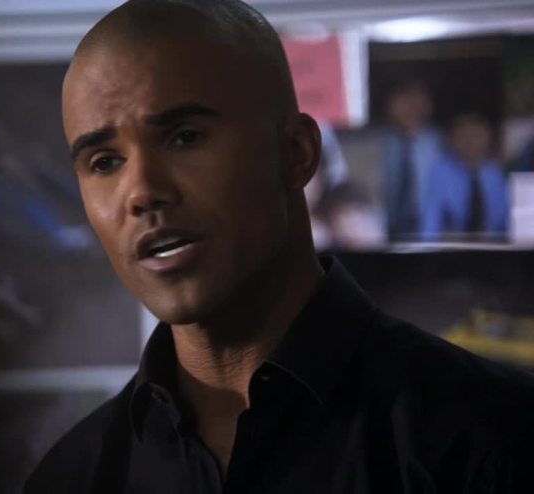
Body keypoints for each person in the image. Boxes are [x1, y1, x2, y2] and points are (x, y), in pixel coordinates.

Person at [26, 1, 534, 492]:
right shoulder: (73, 476)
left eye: (184, 137)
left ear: (296, 152)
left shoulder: (489, 436)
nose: (141, 192)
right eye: (104, 162)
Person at [421, 114, 509, 241]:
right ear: (451, 140)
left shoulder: (497, 174)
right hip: (453, 247)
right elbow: (431, 223)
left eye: (476, 136)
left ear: (488, 137)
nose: (469, 142)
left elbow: (507, 223)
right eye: (462, 136)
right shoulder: (439, 172)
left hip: (493, 247)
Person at [381, 78, 445, 241]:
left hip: (426, 235)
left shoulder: (440, 143)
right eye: (406, 99)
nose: (412, 107)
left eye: (419, 99)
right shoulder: (376, 141)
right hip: (381, 233)